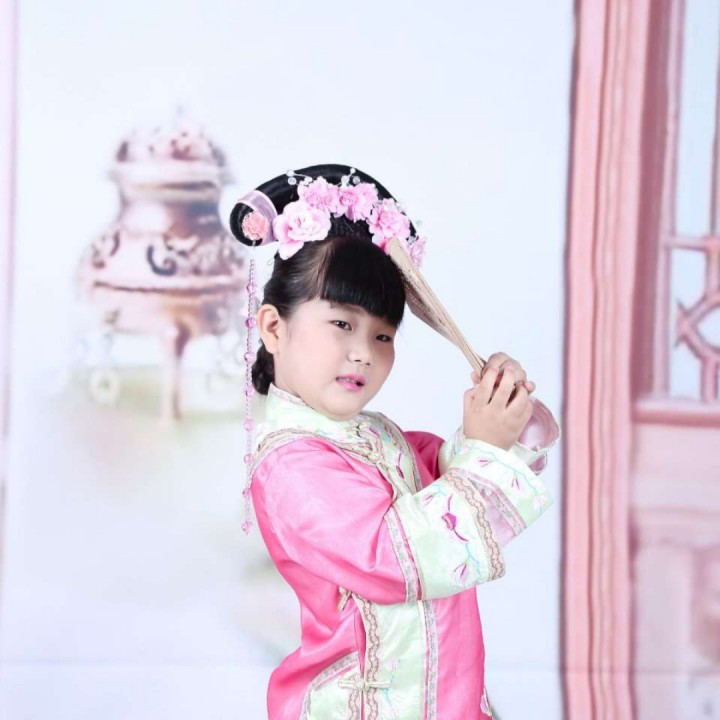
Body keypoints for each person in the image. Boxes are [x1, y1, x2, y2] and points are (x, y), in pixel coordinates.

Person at [229, 164, 559, 720]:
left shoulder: (379, 436)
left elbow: (450, 475)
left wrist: (500, 416)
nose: (364, 351)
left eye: (382, 334)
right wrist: (484, 449)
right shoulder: (290, 465)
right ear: (273, 328)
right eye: (342, 324)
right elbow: (399, 558)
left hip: (445, 702)